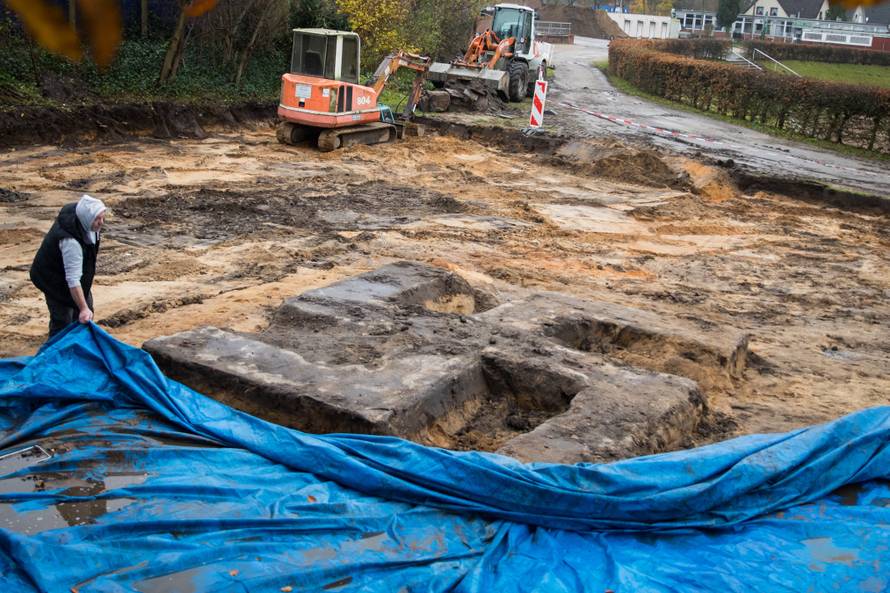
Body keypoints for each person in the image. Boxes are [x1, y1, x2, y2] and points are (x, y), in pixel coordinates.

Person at [30, 195, 107, 338]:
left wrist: (84, 309)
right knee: (63, 319)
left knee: (86, 312)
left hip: (73, 273)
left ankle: (79, 345)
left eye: (102, 217)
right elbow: (73, 279)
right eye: (97, 219)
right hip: (52, 278)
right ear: (87, 218)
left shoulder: (84, 217)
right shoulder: (71, 242)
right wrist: (82, 308)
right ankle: (55, 351)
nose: (101, 222)